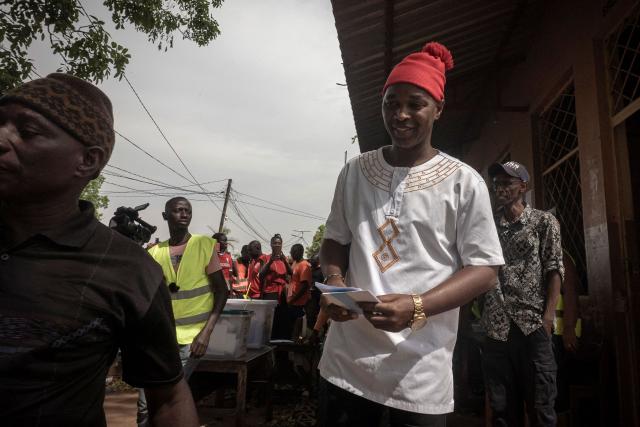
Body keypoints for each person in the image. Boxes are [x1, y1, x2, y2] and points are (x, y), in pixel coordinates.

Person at [318, 42, 504, 427]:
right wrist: (336, 286)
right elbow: (335, 238)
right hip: (348, 360)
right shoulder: (355, 173)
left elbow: (485, 269)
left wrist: (416, 305)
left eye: (415, 103)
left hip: (421, 367)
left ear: (438, 109)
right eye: (391, 103)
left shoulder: (463, 182)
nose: (400, 115)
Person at [0, 74, 198, 426]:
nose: (3, 138)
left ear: (88, 161)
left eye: (27, 131)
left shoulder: (128, 269)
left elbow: (167, 397)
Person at [481, 161, 563, 427]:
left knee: (541, 407)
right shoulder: (487, 225)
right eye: (496, 185)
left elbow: (554, 268)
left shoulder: (543, 222)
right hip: (496, 329)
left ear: (523, 187)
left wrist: (548, 319)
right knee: (503, 410)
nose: (500, 189)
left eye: (507, 183)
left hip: (533, 327)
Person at [140, 197, 229, 426]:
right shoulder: (155, 252)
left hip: (191, 339)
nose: (184, 214)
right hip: (162, 337)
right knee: (144, 404)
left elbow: (222, 292)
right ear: (165, 216)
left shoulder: (203, 245)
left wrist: (206, 333)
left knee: (167, 395)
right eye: (178, 210)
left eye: (187, 210)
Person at [259, 234, 293, 339]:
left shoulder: (285, 259)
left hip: (282, 293)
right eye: (275, 243)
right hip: (270, 292)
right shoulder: (265, 258)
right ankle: (269, 340)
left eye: (279, 243)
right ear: (271, 244)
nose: (277, 245)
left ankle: (280, 342)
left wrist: (285, 261)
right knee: (271, 319)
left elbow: (291, 273)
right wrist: (270, 261)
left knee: (281, 318)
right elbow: (261, 274)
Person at [287, 243, 313, 339]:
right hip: (293, 301)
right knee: (292, 325)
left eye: (293, 252)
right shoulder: (295, 263)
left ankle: (298, 342)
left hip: (300, 302)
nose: (292, 254)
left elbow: (304, 286)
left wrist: (292, 300)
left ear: (300, 252)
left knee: (299, 325)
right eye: (291, 252)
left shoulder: (304, 265)